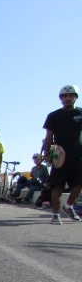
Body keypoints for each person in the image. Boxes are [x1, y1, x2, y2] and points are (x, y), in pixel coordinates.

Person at [41, 85, 82, 224]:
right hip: (59, 156)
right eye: (65, 96)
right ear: (61, 99)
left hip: (78, 155)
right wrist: (46, 152)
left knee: (78, 186)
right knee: (57, 186)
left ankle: (68, 206)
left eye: (71, 95)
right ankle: (55, 214)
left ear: (75, 97)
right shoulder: (54, 115)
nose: (68, 98)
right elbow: (48, 136)